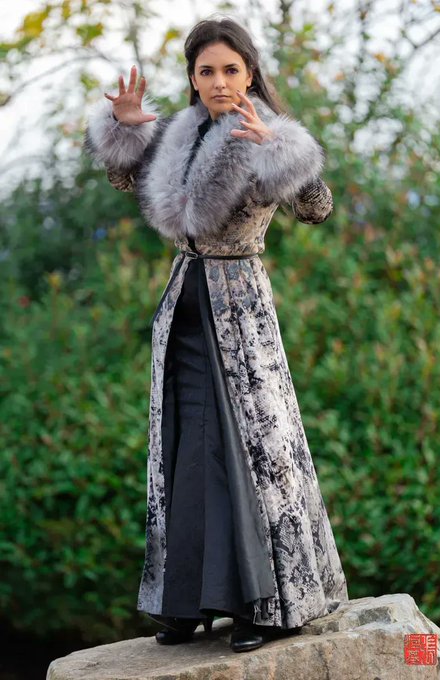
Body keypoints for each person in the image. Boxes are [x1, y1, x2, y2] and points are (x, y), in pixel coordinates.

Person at [83, 17, 349, 654]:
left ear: (250, 74)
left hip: (241, 308)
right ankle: (186, 603)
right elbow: (126, 180)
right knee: (185, 444)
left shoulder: (266, 131)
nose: (220, 81)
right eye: (207, 71)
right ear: (193, 78)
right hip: (184, 301)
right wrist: (126, 127)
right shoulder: (179, 134)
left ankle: (266, 603)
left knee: (251, 449)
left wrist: (279, 151)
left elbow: (318, 208)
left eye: (231, 69)